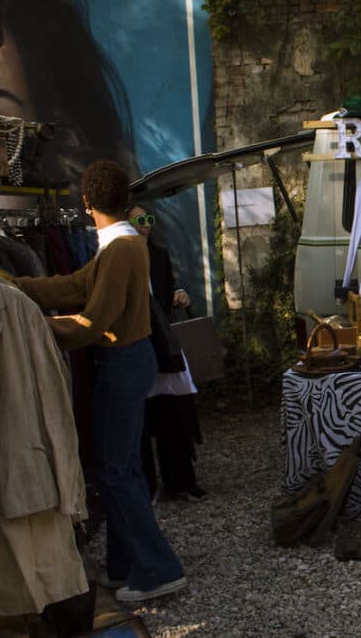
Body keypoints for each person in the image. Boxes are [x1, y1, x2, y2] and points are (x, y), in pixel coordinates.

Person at [15, 160, 187, 602]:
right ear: (124, 199)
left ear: (87, 202)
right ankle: (124, 564)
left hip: (123, 361)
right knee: (120, 466)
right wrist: (17, 287)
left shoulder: (120, 249)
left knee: (114, 470)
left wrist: (36, 327)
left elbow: (93, 319)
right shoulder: (121, 244)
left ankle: (158, 569)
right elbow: (76, 286)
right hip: (129, 360)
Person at [128, 204, 206, 502]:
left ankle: (180, 480)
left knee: (173, 409)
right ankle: (147, 485)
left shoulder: (158, 255)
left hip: (162, 339)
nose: (145, 225)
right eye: (138, 220)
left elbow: (166, 290)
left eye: (148, 219)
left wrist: (177, 295)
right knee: (145, 417)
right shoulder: (119, 257)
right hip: (138, 340)